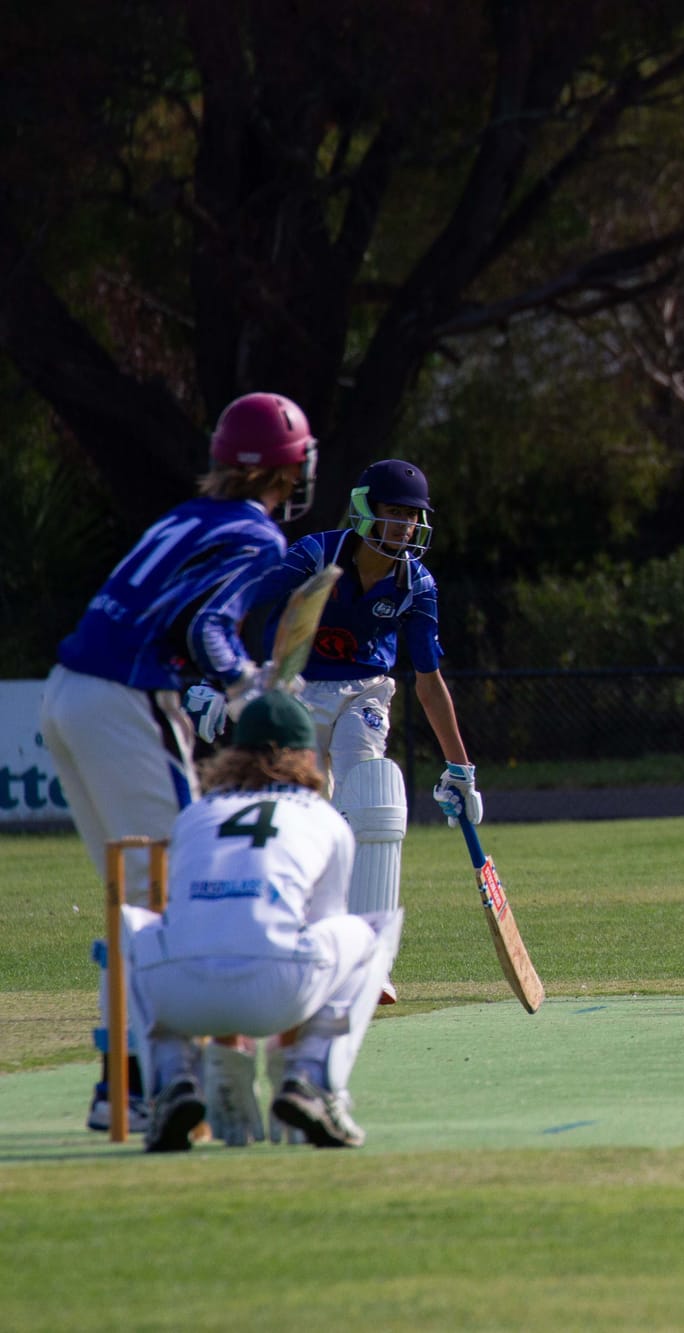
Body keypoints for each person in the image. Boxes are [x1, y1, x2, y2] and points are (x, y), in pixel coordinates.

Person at [42, 391, 317, 1132]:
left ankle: (123, 1083)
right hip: (125, 701)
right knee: (178, 885)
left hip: (65, 694)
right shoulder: (258, 535)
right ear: (289, 471)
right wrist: (244, 683)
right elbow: (206, 627)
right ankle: (152, 1081)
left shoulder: (180, 516)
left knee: (136, 899)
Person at [210, 460, 479, 992]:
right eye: (394, 513)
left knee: (371, 793)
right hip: (296, 693)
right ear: (366, 511)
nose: (404, 527)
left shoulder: (416, 583)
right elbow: (241, 602)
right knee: (304, 818)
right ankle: (293, 946)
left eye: (412, 516)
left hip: (366, 692)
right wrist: (223, 678)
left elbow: (429, 681)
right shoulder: (315, 555)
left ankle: (368, 961)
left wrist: (460, 768)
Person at [118, 690, 402, 1151]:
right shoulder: (325, 819)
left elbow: (199, 919)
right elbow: (317, 934)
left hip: (180, 995)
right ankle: (310, 1080)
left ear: (234, 753)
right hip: (280, 990)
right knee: (369, 932)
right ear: (308, 754)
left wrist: (230, 1050)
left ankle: (172, 1082)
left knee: (134, 927)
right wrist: (283, 1055)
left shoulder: (194, 815)